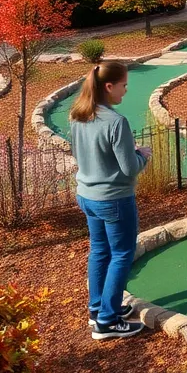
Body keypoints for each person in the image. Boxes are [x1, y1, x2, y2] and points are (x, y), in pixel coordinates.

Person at [67, 61, 151, 340]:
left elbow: (80, 154)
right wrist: (143, 155)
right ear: (109, 86)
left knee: (100, 251)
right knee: (122, 254)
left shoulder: (77, 116)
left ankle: (98, 308)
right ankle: (108, 320)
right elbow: (129, 168)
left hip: (87, 195)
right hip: (114, 198)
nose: (125, 91)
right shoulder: (116, 122)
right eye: (124, 85)